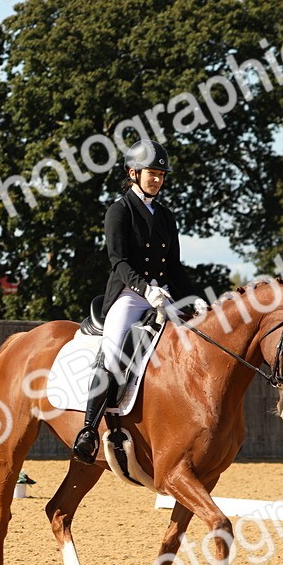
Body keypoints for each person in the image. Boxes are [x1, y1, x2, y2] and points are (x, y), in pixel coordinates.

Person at [71, 139, 206, 465]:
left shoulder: (166, 216)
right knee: (113, 354)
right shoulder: (119, 211)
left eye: (161, 174)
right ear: (133, 173)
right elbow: (118, 261)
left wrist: (195, 298)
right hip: (129, 296)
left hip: (164, 294)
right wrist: (145, 289)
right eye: (151, 173)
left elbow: (174, 266)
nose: (157, 179)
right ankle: (89, 430)